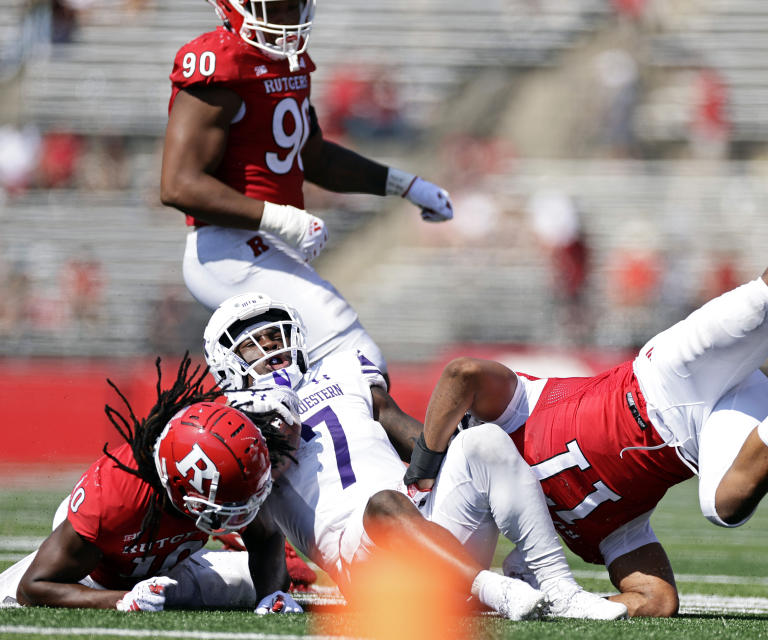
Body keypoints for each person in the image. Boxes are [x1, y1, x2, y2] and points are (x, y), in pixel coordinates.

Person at [403, 135, 768, 617]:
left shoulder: (515, 411)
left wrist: (423, 470)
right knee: (723, 507)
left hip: (666, 375)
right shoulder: (591, 535)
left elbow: (462, 374)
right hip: (702, 434)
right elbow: (657, 601)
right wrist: (560, 603)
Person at [202, 292, 629, 620]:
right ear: (227, 360)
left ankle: (560, 590)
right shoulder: (233, 425)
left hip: (425, 524)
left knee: (482, 442)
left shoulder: (343, 368)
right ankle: (498, 592)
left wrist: (459, 459)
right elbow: (262, 533)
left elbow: (402, 426)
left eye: (275, 335)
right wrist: (271, 594)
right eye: (255, 344)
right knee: (383, 505)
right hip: (369, 570)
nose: (272, 347)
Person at [160, 0, 454, 375]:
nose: (287, 22)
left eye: (293, 8)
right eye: (275, 9)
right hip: (228, 248)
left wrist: (407, 185)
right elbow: (178, 186)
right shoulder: (220, 62)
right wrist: (280, 218)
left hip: (262, 244)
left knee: (304, 380)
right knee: (355, 355)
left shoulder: (287, 63)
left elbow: (315, 159)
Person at [0, 355, 301, 614]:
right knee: (7, 601)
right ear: (181, 489)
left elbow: (265, 536)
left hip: (165, 565)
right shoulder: (114, 501)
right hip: (96, 570)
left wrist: (273, 595)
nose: (239, 516)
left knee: (257, 582)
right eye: (226, 505)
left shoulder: (221, 472)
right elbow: (34, 587)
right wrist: (120, 600)